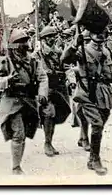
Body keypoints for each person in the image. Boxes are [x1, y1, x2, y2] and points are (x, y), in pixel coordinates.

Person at [61, 30, 112, 176]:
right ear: (91, 35)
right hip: (87, 93)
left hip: (104, 94)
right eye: (97, 32)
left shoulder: (108, 51)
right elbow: (65, 60)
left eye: (103, 32)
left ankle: (91, 158)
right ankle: (96, 159)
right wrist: (74, 44)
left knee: (100, 126)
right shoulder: (82, 50)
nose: (100, 35)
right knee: (96, 124)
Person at [0, 28, 48, 175]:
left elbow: (42, 77)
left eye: (25, 41)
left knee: (24, 134)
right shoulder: (5, 61)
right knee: (19, 134)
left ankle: (17, 163)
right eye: (20, 42)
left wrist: (42, 93)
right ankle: (16, 167)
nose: (24, 44)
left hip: (28, 101)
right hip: (11, 101)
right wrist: (7, 80)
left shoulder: (33, 61)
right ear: (14, 45)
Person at [32, 26, 71, 157]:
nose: (51, 39)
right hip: (45, 88)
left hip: (59, 88)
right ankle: (47, 143)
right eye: (47, 37)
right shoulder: (37, 54)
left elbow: (67, 67)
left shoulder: (59, 52)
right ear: (42, 39)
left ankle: (50, 141)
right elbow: (35, 71)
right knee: (49, 113)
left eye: (53, 36)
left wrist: (71, 80)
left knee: (56, 115)